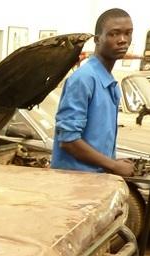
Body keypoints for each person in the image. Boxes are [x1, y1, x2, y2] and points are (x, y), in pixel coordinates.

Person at [51, 8, 135, 177]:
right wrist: (113, 165)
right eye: (114, 34)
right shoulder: (84, 79)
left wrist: (113, 163)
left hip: (95, 180)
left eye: (128, 33)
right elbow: (69, 141)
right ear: (97, 39)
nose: (123, 40)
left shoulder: (109, 81)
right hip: (74, 183)